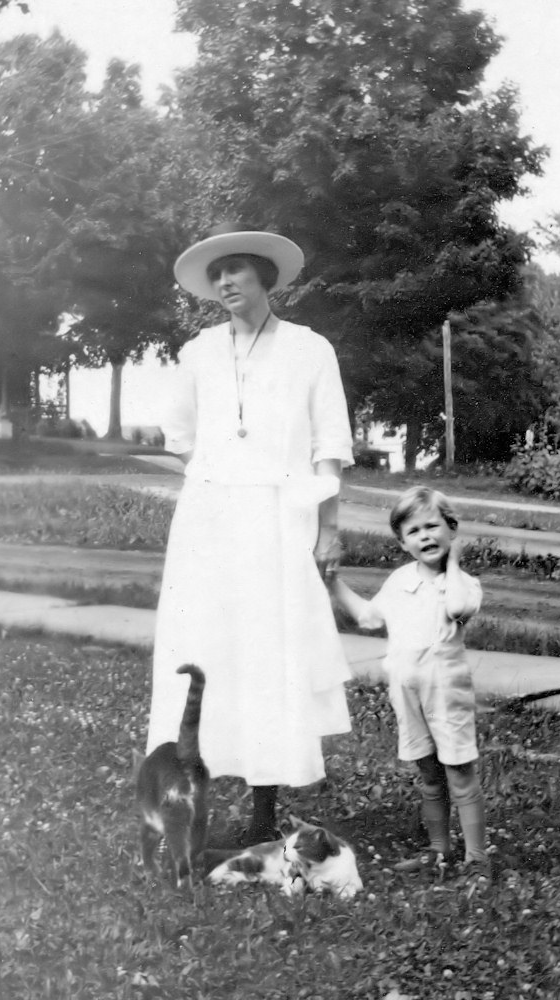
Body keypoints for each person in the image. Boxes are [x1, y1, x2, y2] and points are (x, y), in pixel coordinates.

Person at [146, 223, 355, 845]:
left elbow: (330, 445)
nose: (226, 281)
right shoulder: (198, 352)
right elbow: (180, 438)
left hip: (277, 521)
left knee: (268, 653)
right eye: (217, 275)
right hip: (208, 524)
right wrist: (220, 485)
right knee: (206, 650)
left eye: (236, 269)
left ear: (264, 277)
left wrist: (326, 528)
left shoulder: (308, 349)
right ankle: (193, 800)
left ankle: (264, 808)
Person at [327, 486, 490, 885]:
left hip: (446, 691)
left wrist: (453, 563)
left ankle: (477, 861)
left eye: (434, 526)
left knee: (459, 772)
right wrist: (332, 583)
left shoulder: (464, 584)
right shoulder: (400, 580)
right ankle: (438, 850)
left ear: (452, 530)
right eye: (414, 531)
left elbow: (456, 609)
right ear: (402, 542)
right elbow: (368, 617)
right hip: (406, 691)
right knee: (429, 774)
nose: (426, 537)